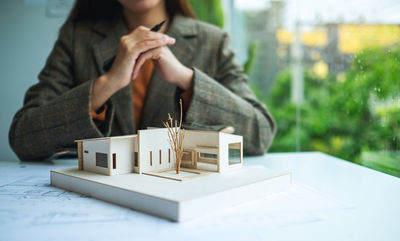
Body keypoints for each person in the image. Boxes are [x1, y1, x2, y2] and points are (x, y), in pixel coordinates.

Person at [9, 0, 276, 161]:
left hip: (185, 205)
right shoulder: (76, 38)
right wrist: (108, 83)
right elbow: (23, 138)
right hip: (96, 206)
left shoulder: (213, 42)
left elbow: (260, 134)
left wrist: (187, 79)